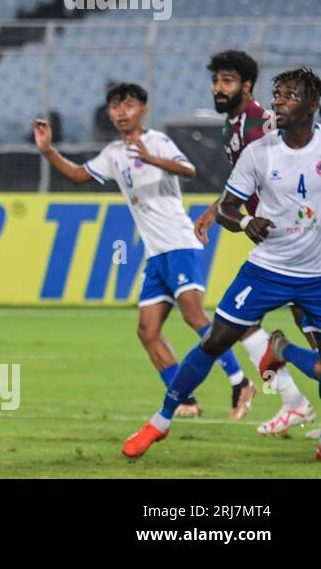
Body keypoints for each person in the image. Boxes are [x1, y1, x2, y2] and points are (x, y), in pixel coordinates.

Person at [123, 68, 321, 460]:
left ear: (313, 105)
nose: (279, 100)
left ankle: (279, 349)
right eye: (277, 93)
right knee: (214, 339)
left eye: (290, 95)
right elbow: (228, 208)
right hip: (266, 270)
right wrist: (247, 221)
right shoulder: (259, 152)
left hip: (316, 276)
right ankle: (160, 421)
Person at [34, 83, 254, 424]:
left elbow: (189, 170)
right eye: (115, 107)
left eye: (129, 105)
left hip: (180, 244)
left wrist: (151, 159)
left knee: (195, 317)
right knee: (147, 331)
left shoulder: (158, 142)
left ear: (143, 110)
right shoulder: (113, 153)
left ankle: (240, 383)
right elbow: (79, 175)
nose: (121, 112)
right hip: (156, 255)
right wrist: (48, 150)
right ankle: (186, 400)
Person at [192, 50, 314, 435]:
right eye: (215, 80)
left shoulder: (260, 125)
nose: (218, 87)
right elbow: (244, 181)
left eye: (227, 81)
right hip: (275, 243)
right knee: (249, 325)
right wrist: (219, 211)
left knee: (249, 325)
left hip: (293, 242)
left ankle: (294, 400)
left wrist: (239, 217)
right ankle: (293, 400)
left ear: (247, 85)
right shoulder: (236, 124)